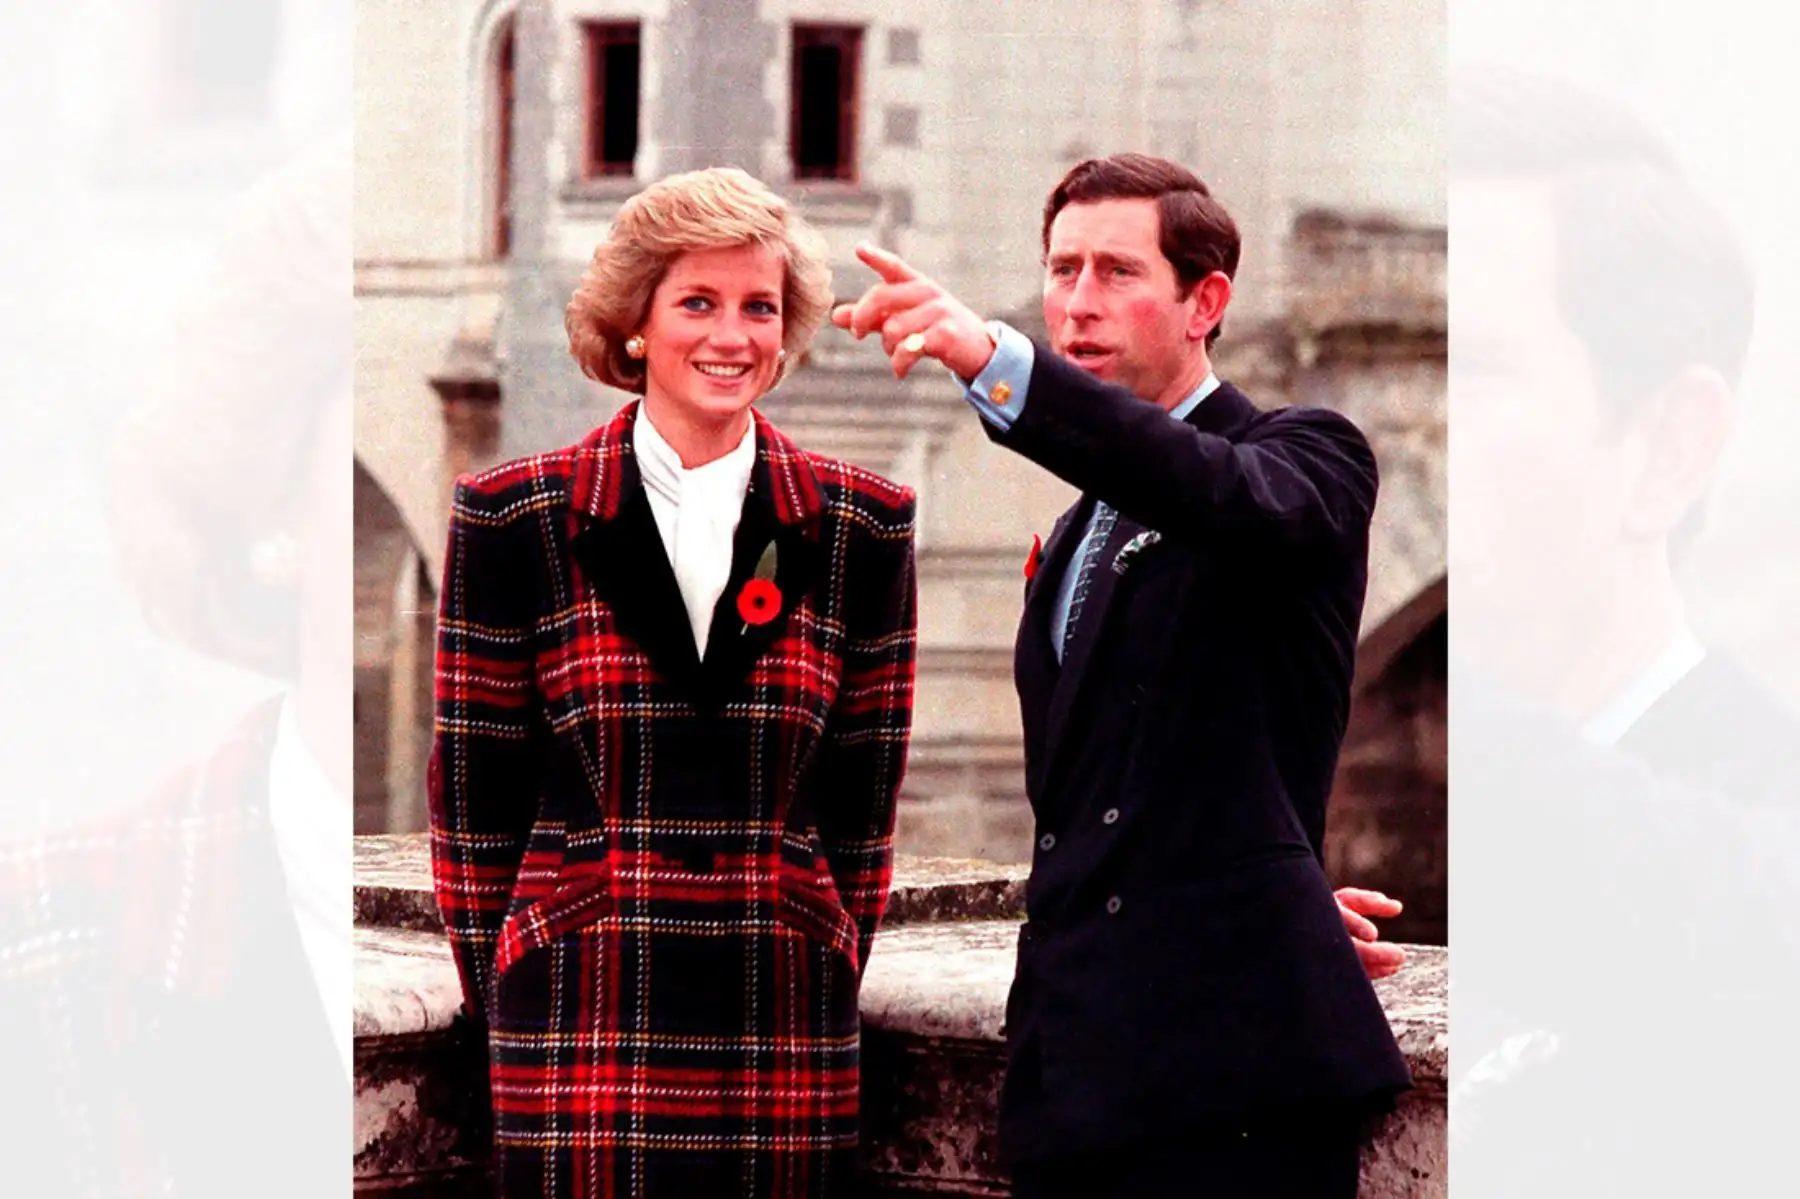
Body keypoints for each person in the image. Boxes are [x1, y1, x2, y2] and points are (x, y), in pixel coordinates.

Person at [832, 153, 1412, 1197]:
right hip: (1078, 1074)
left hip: (1235, 1081)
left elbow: (1200, 486)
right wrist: (1271, 894)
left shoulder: (1306, 456)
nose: (1076, 303)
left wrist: (997, 360)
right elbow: (1130, 789)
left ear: (1207, 302)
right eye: (1061, 271)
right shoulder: (1075, 528)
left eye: (1114, 272)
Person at [427, 166, 917, 1198]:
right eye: (698, 301)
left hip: (781, 1017)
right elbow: (475, 805)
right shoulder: (513, 516)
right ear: (637, 323)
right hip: (578, 1021)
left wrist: (816, 940)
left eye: (760, 307)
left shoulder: (862, 529)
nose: (732, 335)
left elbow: (863, 811)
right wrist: (516, 985)